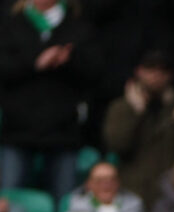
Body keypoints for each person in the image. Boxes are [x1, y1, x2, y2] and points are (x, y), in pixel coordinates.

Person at [0, 0, 100, 201]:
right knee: (7, 203)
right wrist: (36, 63)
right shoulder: (11, 23)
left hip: (62, 133)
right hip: (17, 131)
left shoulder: (78, 26)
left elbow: (95, 72)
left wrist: (67, 61)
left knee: (65, 204)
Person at [102, 50, 174, 211]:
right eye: (150, 69)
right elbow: (118, 145)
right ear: (139, 71)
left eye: (162, 71)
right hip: (132, 193)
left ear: (170, 75)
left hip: (170, 194)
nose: (156, 75)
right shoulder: (122, 108)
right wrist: (136, 113)